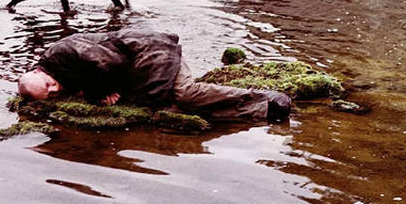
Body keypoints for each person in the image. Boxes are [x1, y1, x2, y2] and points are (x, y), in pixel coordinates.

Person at [17, 28, 291, 122]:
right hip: (139, 69)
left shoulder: (61, 52)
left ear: (38, 72)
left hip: (151, 52)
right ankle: (263, 113)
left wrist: (98, 92)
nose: (55, 91)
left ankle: (264, 97)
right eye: (49, 95)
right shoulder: (52, 76)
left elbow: (108, 63)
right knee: (172, 108)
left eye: (50, 86)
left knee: (185, 95)